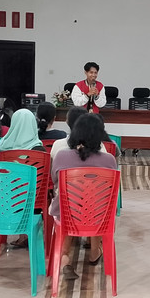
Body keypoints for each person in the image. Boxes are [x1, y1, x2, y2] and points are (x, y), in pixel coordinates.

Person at [49, 114, 117, 280]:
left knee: (69, 208)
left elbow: (54, 180)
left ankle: (64, 258)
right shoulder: (109, 160)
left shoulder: (62, 156)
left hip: (67, 214)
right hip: (98, 216)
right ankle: (94, 252)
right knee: (93, 203)